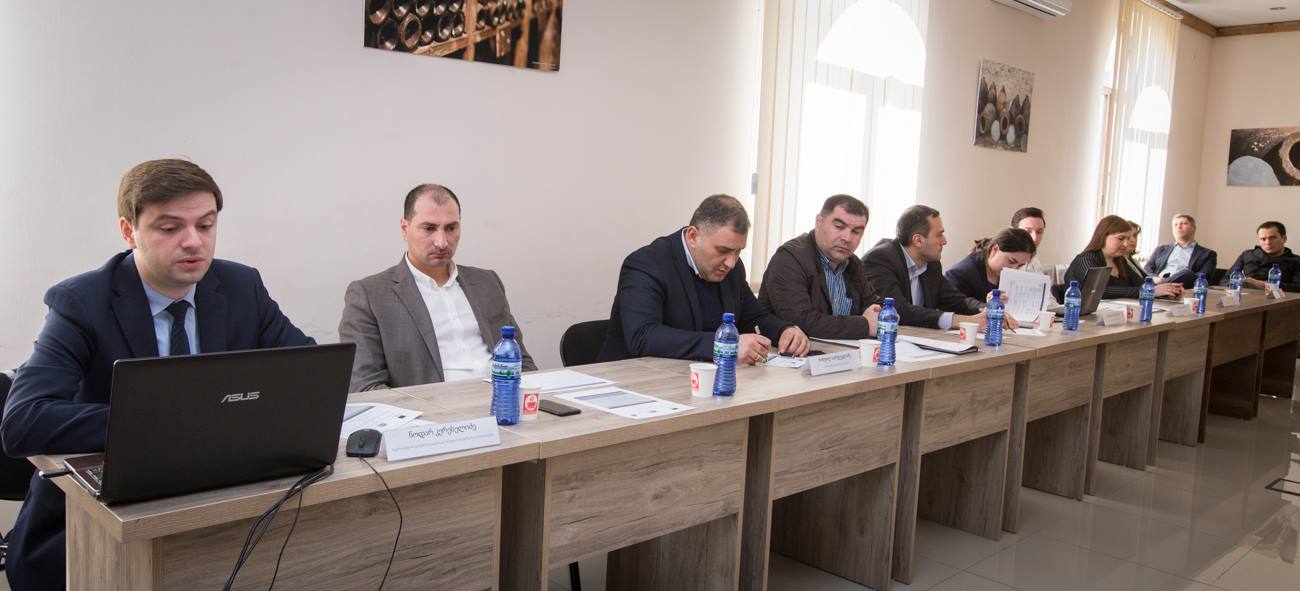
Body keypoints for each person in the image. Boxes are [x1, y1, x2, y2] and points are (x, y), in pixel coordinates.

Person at [0, 159, 314, 590]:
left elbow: (310, 375)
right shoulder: (82, 302)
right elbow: (23, 422)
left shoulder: (241, 287)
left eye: (206, 225)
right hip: (88, 532)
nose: (194, 241)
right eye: (170, 228)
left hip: (217, 509)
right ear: (129, 231)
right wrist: (170, 419)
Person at [339, 184, 535, 392]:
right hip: (433, 408)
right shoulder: (370, 295)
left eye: (451, 228)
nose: (442, 242)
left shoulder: (487, 282)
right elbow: (365, 386)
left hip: (504, 401)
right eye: (429, 228)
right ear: (405, 228)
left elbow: (522, 362)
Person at [600, 194, 810, 364]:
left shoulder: (732, 268)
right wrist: (723, 347)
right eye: (723, 250)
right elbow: (644, 336)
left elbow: (753, 316)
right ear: (693, 236)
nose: (731, 262)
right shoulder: (646, 264)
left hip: (699, 379)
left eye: (738, 251)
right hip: (634, 382)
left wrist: (785, 330)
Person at [863, 205, 1012, 330]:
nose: (945, 241)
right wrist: (960, 321)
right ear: (918, 240)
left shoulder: (931, 264)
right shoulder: (880, 259)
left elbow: (956, 301)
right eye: (939, 235)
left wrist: (987, 310)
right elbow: (897, 310)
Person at [758, 194, 883, 339]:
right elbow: (800, 320)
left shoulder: (853, 263)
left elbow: (873, 307)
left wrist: (883, 315)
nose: (847, 238)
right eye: (839, 226)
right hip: (788, 351)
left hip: (839, 350)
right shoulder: (790, 258)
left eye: (856, 231)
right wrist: (864, 325)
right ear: (819, 222)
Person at [1064, 215, 1182, 300]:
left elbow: (1140, 284)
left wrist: (1167, 290)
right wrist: (1148, 291)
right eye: (1121, 238)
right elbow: (1099, 291)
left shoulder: (1119, 260)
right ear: (1103, 236)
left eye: (1128, 239)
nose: (1126, 244)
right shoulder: (1086, 259)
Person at [944, 228, 1037, 302]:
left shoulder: (1004, 274)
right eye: (1011, 261)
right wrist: (987, 306)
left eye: (1020, 266)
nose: (1014, 269)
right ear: (995, 250)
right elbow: (956, 310)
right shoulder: (959, 274)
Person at [1144, 214, 1218, 289]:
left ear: (1193, 228)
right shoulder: (1160, 249)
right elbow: (1147, 268)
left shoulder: (1208, 254)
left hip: (1183, 286)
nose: (1178, 227)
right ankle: (1161, 286)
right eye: (1175, 225)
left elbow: (1203, 276)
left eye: (1183, 223)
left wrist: (1163, 283)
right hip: (1158, 282)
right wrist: (1154, 278)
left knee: (1187, 273)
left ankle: (1159, 287)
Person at [1226, 221, 1300, 292]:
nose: (1268, 243)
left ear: (1284, 238)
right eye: (1263, 239)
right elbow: (1225, 280)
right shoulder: (1247, 255)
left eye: (1273, 238)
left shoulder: (1295, 260)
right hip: (1244, 294)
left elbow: (1297, 288)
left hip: (1278, 298)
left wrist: (1263, 284)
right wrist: (1238, 283)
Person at [1011, 207, 1048, 275]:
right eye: (1028, 231)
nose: (1034, 238)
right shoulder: (1005, 262)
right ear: (1013, 231)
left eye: (1039, 232)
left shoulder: (1036, 263)